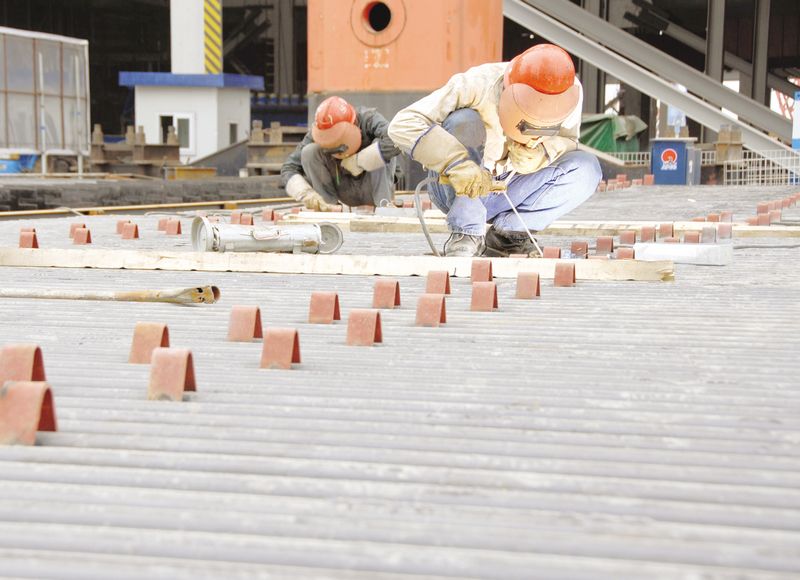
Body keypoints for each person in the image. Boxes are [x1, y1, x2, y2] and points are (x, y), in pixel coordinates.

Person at [388, 43, 602, 257]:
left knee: (586, 168)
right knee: (464, 121)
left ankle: (508, 235)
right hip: (458, 187)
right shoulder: (477, 84)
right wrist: (455, 162)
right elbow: (403, 124)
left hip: (513, 188)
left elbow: (568, 139)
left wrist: (543, 153)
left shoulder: (567, 91)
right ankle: (466, 231)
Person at [281, 96, 401, 211]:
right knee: (309, 151)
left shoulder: (368, 119)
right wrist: (305, 193)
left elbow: (397, 139)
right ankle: (328, 207)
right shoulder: (317, 132)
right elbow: (289, 168)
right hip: (344, 189)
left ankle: (383, 205)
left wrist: (359, 162)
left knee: (382, 142)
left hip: (372, 187)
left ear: (353, 123)